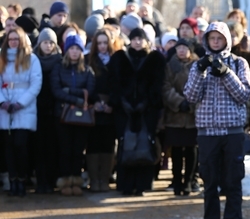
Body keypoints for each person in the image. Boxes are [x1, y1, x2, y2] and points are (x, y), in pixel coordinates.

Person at [184, 22, 250, 219]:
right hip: (207, 132)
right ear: (206, 41)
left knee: (233, 180)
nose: (215, 42)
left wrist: (225, 73)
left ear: (226, 40)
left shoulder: (239, 63)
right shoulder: (197, 66)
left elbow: (244, 94)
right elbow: (191, 97)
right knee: (210, 182)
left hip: (232, 131)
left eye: (219, 38)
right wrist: (200, 71)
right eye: (211, 38)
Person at [110, 27, 166, 196]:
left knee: (144, 146)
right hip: (124, 111)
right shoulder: (119, 58)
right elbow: (114, 84)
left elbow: (158, 85)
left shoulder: (154, 59)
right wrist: (122, 102)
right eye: (134, 39)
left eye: (140, 39)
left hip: (146, 111)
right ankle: (126, 185)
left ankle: (141, 185)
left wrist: (146, 103)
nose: (137, 42)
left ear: (146, 41)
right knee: (126, 145)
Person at [50, 34, 96, 196]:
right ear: (66, 50)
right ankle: (65, 180)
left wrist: (70, 92)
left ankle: (76, 179)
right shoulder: (58, 68)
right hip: (62, 115)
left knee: (78, 150)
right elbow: (56, 91)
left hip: (82, 116)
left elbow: (90, 92)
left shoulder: (87, 70)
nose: (75, 52)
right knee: (65, 149)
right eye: (72, 48)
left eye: (77, 49)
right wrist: (77, 98)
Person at [0, 26, 43, 197]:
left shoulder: (31, 59)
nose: (13, 42)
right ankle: (13, 181)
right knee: (8, 146)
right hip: (5, 107)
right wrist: (2, 102)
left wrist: (20, 103)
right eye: (10, 39)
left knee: (20, 144)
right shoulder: (1, 58)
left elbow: (35, 84)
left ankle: (22, 179)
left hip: (23, 107)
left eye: (16, 39)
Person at [162, 38, 198, 196]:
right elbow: (165, 87)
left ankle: (189, 181)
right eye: (179, 48)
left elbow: (200, 85)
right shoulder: (170, 66)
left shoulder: (197, 66)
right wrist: (178, 102)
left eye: (185, 47)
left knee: (191, 150)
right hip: (174, 115)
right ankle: (176, 181)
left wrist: (190, 103)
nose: (181, 50)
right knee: (176, 150)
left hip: (192, 117)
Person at [85, 30, 116, 192]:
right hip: (93, 107)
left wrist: (112, 103)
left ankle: (104, 179)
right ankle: (94, 180)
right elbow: (86, 84)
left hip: (111, 108)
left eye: (105, 43)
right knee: (93, 144)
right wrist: (94, 101)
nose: (103, 46)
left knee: (108, 144)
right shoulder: (89, 61)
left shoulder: (116, 61)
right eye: (100, 43)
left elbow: (119, 85)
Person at [33, 28, 62, 193]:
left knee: (52, 147)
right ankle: (41, 181)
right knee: (38, 148)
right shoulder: (32, 60)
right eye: (45, 42)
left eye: (51, 42)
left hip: (55, 109)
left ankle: (51, 181)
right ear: (40, 43)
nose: (48, 45)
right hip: (36, 109)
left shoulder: (60, 61)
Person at [227, 20, 250, 127]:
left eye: (234, 36)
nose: (232, 39)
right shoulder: (217, 56)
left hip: (244, 107)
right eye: (229, 35)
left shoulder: (246, 57)